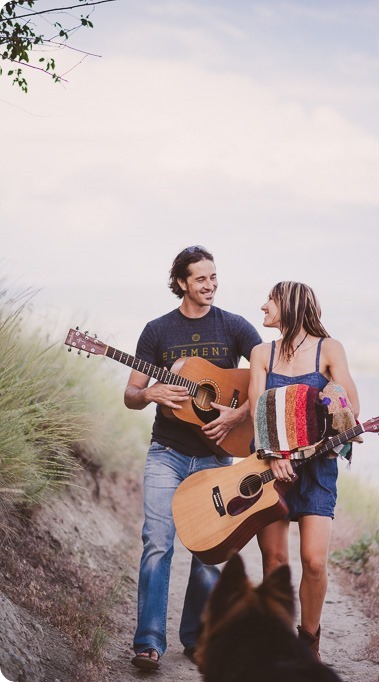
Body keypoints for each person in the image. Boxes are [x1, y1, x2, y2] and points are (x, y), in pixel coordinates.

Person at [124, 245, 262, 672]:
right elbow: (131, 394)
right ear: (182, 282)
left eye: (214, 277)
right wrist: (149, 393)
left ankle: (196, 638)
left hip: (216, 458)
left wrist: (237, 415)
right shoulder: (156, 331)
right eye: (201, 278)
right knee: (157, 545)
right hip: (166, 453)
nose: (211, 285)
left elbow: (264, 378)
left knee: (208, 551)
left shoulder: (235, 327)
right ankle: (148, 643)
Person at [248, 281, 360, 661]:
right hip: (269, 468)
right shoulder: (262, 353)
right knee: (275, 562)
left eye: (270, 300)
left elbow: (351, 408)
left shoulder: (329, 349)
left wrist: (333, 399)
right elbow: (255, 411)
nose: (263, 306)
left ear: (290, 305)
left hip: (318, 470)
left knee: (314, 561)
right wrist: (273, 453)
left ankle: (308, 643)